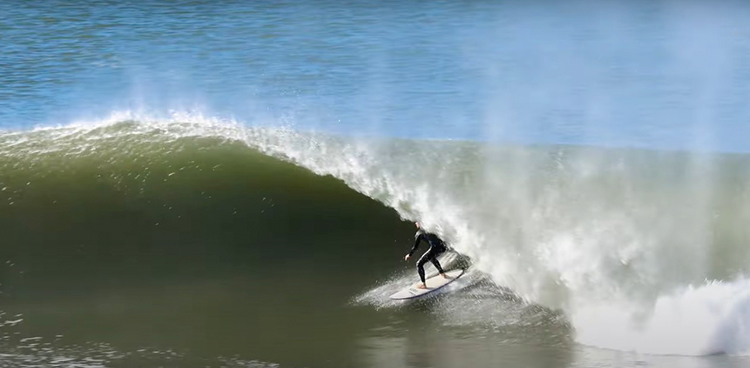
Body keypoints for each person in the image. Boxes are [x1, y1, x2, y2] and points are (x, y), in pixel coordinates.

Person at [404, 221, 450, 289]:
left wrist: (409, 255)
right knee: (431, 257)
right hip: (443, 247)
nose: (415, 223)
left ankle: (423, 284)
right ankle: (442, 273)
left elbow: (415, 247)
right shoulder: (430, 229)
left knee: (419, 264)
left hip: (435, 248)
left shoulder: (419, 233)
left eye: (417, 222)